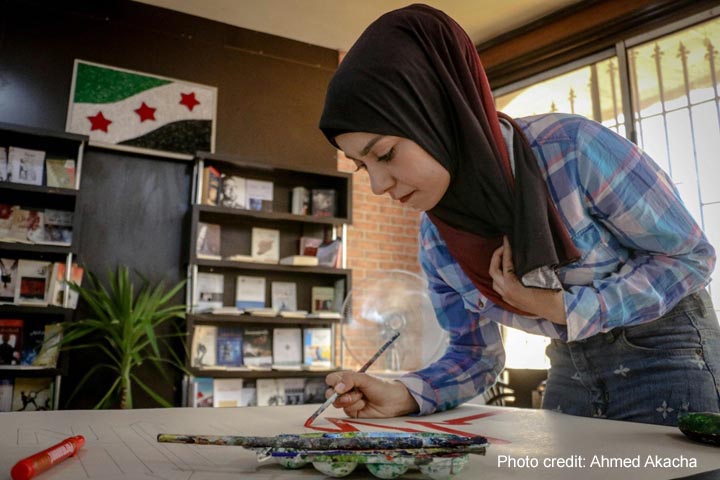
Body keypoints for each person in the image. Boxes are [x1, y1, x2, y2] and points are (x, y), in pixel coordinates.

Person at [318, 4, 719, 426]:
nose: (380, 185)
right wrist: (403, 394)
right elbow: (475, 355)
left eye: (385, 154)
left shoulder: (571, 149)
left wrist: (563, 308)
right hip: (569, 366)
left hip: (670, 353)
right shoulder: (437, 239)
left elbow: (689, 258)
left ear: (437, 116)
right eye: (364, 167)